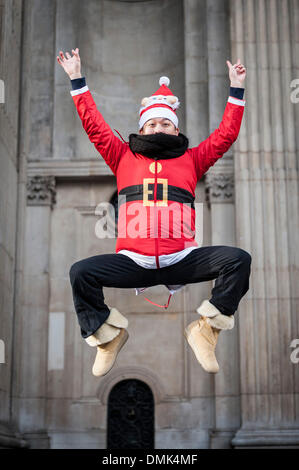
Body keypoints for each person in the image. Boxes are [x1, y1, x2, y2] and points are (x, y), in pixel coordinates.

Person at [57, 48, 251, 377]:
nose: (158, 128)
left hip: (181, 260)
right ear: (141, 129)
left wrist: (236, 89)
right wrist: (77, 78)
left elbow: (225, 136)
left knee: (238, 260)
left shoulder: (193, 159)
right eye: (151, 124)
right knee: (81, 273)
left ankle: (206, 330)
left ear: (176, 130)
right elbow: (94, 127)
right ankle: (107, 337)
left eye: (165, 123)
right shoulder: (121, 156)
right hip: (135, 261)